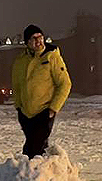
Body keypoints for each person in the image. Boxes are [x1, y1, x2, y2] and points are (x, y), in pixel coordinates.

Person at [11, 25, 72, 159]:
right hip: (26, 114)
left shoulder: (51, 57)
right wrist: (19, 107)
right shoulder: (20, 61)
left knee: (36, 148)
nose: (38, 41)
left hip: (44, 111)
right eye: (34, 38)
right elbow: (16, 86)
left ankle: (38, 176)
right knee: (30, 147)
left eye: (40, 37)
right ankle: (35, 175)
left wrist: (53, 108)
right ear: (27, 42)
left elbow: (65, 84)